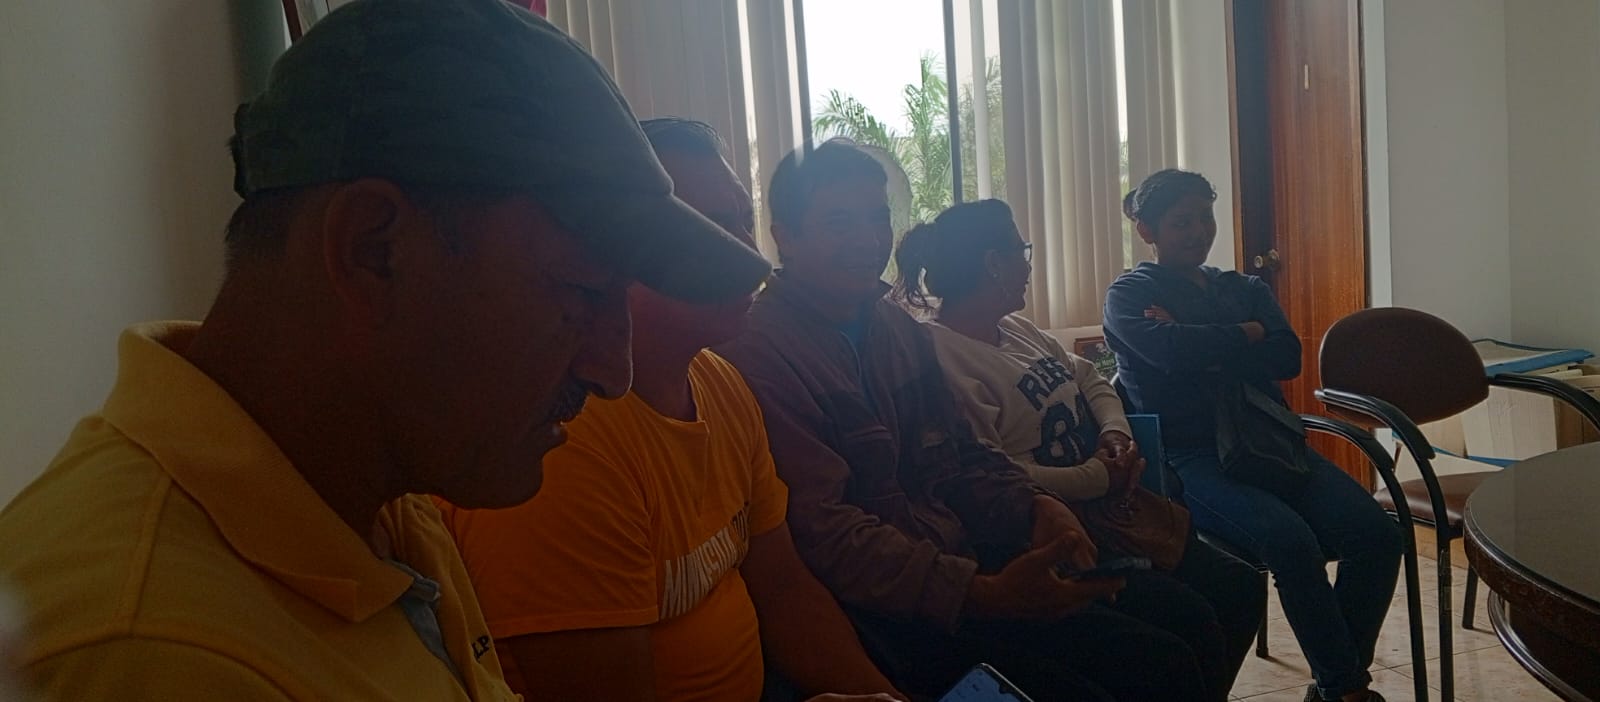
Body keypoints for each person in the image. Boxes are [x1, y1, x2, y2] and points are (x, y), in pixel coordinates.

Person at [0, 1, 774, 699]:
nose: (613, 370)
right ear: (373, 251)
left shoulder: (373, 484)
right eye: (578, 292)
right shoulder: (159, 657)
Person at [716, 139, 1220, 701]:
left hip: (965, 558)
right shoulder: (760, 356)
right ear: (785, 236)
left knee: (1180, 637)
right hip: (887, 614)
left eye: (877, 218)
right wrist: (981, 592)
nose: (868, 240)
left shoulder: (894, 328)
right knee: (1137, 671)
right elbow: (826, 535)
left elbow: (960, 450)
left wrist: (1034, 506)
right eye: (839, 223)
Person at [440, 118, 903, 702]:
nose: (749, 258)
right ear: (607, 256)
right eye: (705, 229)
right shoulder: (559, 442)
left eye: (741, 223)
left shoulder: (721, 383)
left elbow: (784, 589)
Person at [893, 198, 1267, 698]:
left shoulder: (1014, 328)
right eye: (1022, 251)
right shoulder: (943, 357)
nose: (1029, 265)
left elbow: (1089, 376)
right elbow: (993, 470)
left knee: (1241, 588)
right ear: (993, 263)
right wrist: (1098, 476)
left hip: (1108, 508)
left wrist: (1115, 435)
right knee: (1184, 631)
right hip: (1047, 532)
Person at [1103, 169, 1402, 702]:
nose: (1199, 232)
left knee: (1378, 535)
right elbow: (1166, 353)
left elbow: (1286, 357)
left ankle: (1335, 685)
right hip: (1193, 457)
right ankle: (1346, 690)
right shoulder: (1129, 293)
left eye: (1205, 218)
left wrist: (1196, 341)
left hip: (1271, 443)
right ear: (1147, 230)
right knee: (1291, 543)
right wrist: (1247, 333)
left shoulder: (1244, 286)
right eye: (1182, 222)